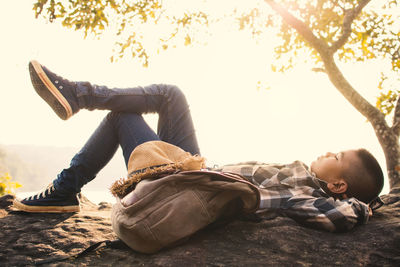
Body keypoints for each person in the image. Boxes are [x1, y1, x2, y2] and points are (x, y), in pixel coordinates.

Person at [13, 60, 384, 232]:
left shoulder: (313, 196)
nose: (326, 152)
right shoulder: (303, 176)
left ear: (338, 185)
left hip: (187, 185)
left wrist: (365, 205)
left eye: (336, 157)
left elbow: (343, 215)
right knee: (169, 95)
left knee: (120, 118)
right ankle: (79, 96)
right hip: (195, 167)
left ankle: (64, 183)